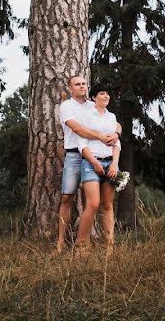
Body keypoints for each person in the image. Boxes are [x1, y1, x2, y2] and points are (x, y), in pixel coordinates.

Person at [57, 76, 121, 252]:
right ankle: (61, 242)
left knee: (96, 202)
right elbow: (77, 129)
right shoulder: (66, 106)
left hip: (96, 155)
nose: (81, 86)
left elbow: (113, 123)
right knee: (67, 197)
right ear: (70, 88)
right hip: (74, 154)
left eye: (84, 84)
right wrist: (99, 136)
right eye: (77, 84)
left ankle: (89, 242)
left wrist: (116, 134)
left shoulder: (92, 105)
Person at [76, 83, 120, 250]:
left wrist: (115, 163)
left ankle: (109, 246)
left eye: (108, 94)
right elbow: (82, 143)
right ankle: (81, 246)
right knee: (93, 204)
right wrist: (94, 163)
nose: (106, 96)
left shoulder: (111, 117)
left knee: (108, 205)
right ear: (94, 97)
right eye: (102, 93)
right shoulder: (86, 116)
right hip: (91, 162)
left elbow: (117, 142)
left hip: (110, 163)